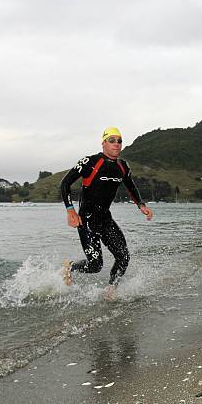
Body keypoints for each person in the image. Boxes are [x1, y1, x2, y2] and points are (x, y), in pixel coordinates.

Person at [59, 127, 153, 299]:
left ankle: (111, 290)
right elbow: (65, 183)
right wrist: (70, 211)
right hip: (86, 220)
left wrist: (141, 205)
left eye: (119, 141)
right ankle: (70, 267)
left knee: (123, 257)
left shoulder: (122, 166)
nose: (116, 144)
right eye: (112, 140)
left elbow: (130, 186)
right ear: (103, 143)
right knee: (95, 265)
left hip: (105, 219)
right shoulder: (90, 162)